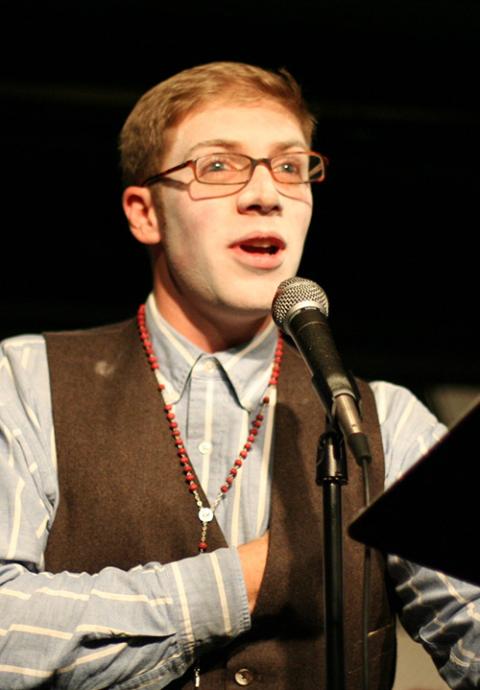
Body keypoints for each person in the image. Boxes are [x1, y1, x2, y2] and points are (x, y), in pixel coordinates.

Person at [0, 61, 478, 690]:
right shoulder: (28, 378)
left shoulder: (383, 420)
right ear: (145, 213)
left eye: (289, 166)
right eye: (218, 166)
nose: (266, 193)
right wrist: (250, 578)